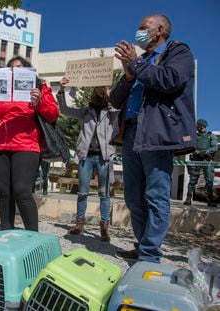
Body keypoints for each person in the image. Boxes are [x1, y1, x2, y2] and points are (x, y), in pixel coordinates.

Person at [111, 15, 196, 262]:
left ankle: (149, 253)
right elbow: (116, 100)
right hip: (131, 134)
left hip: (156, 134)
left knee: (155, 194)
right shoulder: (140, 62)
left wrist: (136, 65)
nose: (138, 32)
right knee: (133, 197)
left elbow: (170, 80)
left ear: (159, 30)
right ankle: (142, 244)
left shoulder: (177, 51)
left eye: (142, 28)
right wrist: (128, 76)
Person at [0, 56, 59, 231]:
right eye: (11, 68)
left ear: (27, 70)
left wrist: (38, 103)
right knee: (4, 193)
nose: (15, 70)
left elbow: (53, 113)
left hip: (27, 145)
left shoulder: (40, 87)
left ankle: (33, 235)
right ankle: (6, 231)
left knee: (22, 191)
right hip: (1, 145)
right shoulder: (1, 90)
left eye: (19, 67)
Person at [58, 80, 120, 242]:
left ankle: (104, 227)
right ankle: (80, 223)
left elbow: (120, 109)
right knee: (82, 192)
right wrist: (61, 89)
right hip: (86, 156)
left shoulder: (112, 111)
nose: (100, 93)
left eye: (103, 90)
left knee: (104, 193)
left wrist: (111, 95)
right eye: (98, 91)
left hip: (104, 157)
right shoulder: (86, 112)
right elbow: (64, 109)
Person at [184, 119, 218, 206]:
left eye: (202, 126)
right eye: (199, 126)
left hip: (207, 160)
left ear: (205, 126)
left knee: (209, 180)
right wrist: (197, 152)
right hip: (196, 159)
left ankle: (210, 199)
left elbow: (214, 147)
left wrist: (205, 152)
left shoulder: (211, 136)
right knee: (193, 180)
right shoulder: (193, 136)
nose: (201, 128)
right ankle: (188, 198)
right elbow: (185, 141)